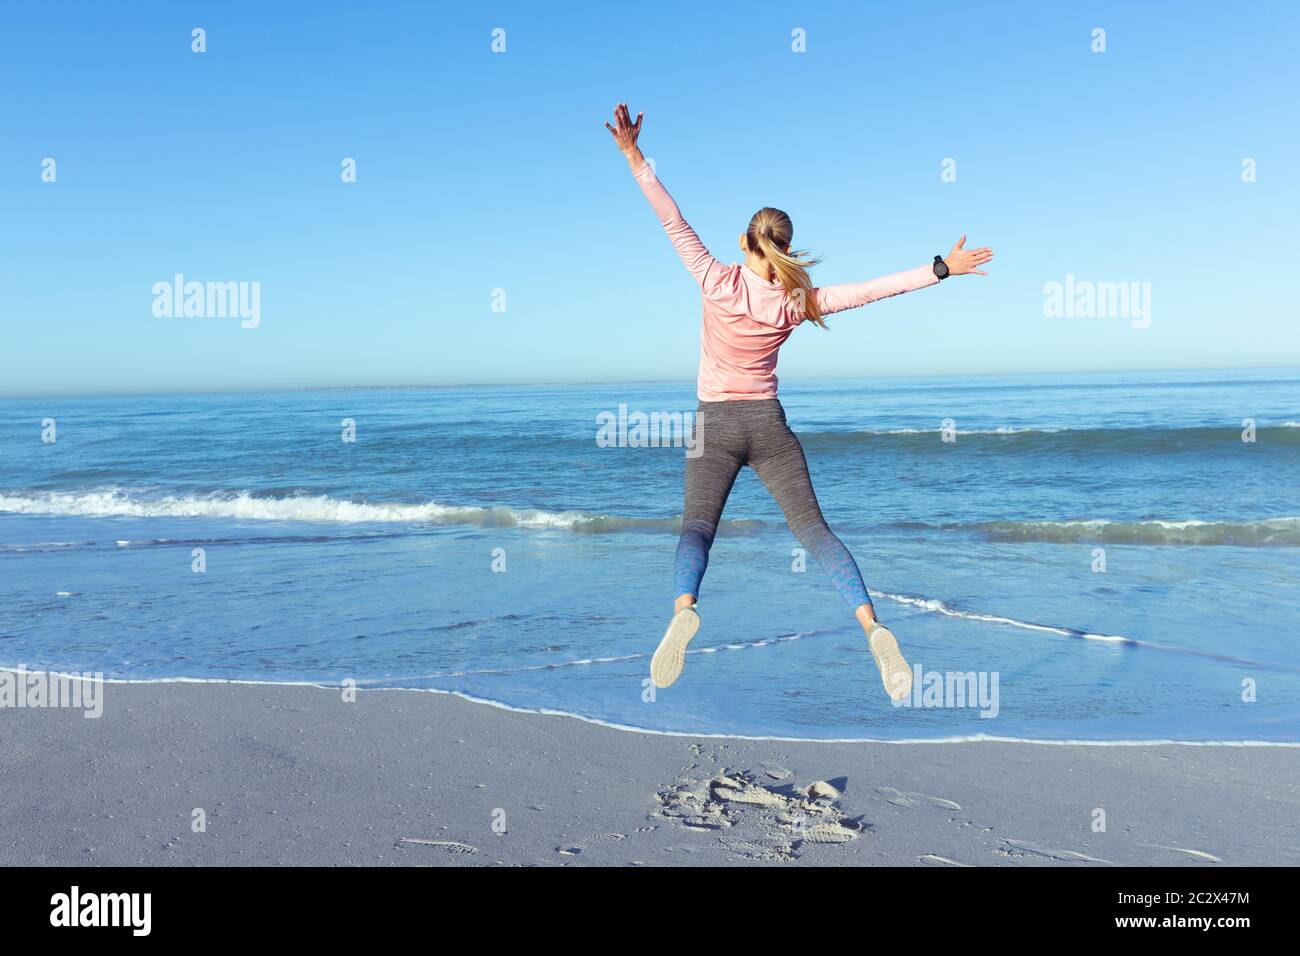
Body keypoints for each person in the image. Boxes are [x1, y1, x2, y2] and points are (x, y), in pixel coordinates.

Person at [605, 103, 993, 700]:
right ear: (786, 247)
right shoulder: (798, 302)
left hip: (715, 423)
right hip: (768, 427)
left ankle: (685, 607)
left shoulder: (714, 278)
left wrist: (633, 154)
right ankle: (872, 625)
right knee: (814, 530)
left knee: (698, 529)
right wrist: (941, 267)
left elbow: (670, 216)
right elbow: (871, 291)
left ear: (744, 241)